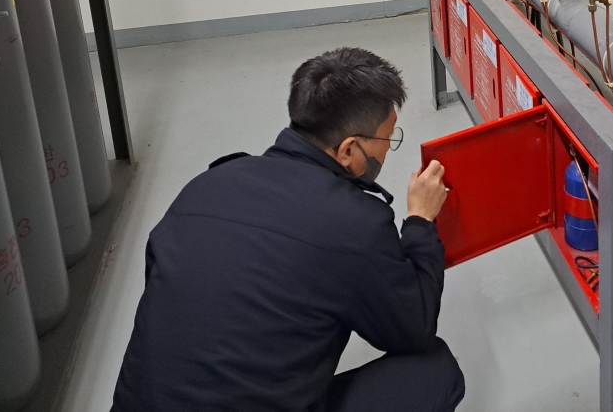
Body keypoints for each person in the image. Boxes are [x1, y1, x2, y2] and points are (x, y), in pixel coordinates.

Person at [112, 47, 464, 412]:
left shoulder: (207, 184)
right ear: (348, 149)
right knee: (434, 369)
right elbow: (413, 329)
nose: (387, 151)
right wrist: (420, 222)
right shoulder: (356, 222)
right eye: (387, 140)